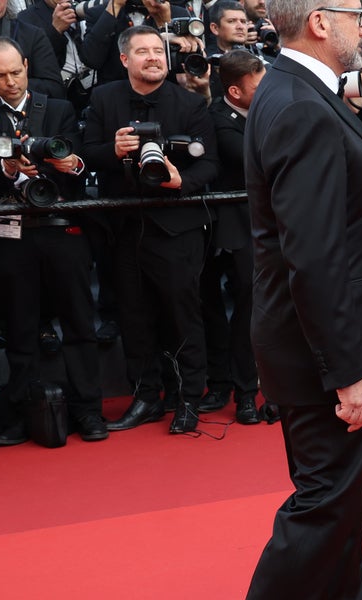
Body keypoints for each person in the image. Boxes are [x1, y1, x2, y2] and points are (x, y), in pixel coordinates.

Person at [242, 1, 362, 597]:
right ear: (319, 22)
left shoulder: (293, 91)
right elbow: (314, 255)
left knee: (337, 502)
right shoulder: (302, 106)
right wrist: (346, 370)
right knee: (325, 503)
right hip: (324, 351)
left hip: (314, 340)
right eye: (357, 13)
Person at [84, 25, 219, 436]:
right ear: (124, 59)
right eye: (142, 52)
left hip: (177, 228)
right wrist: (113, 151)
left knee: (182, 315)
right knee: (134, 316)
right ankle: (146, 396)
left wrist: (183, 183)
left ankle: (188, 398)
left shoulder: (190, 104)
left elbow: (210, 164)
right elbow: (84, 151)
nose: (153, 57)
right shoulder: (104, 97)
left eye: (157, 51)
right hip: (123, 227)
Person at [0, 36, 102, 446]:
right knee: (21, 330)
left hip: (61, 229)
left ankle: (88, 411)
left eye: (16, 71)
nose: (11, 82)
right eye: (0, 76)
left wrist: (67, 164)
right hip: (10, 235)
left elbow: (74, 158)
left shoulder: (56, 107)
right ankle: (22, 413)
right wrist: (6, 171)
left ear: (26, 63)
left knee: (78, 323)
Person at [202, 49, 265, 425]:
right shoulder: (217, 120)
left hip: (260, 224)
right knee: (225, 306)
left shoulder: (268, 111)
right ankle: (229, 387)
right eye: (259, 86)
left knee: (250, 306)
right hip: (225, 227)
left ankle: (248, 390)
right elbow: (251, 159)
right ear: (235, 93)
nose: (268, 90)